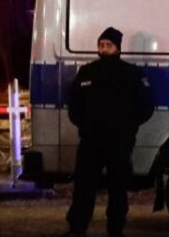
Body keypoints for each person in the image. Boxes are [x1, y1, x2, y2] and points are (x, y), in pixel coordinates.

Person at [64, 27, 154, 237]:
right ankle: (77, 229)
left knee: (118, 188)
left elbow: (146, 105)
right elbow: (74, 102)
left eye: (108, 45)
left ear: (117, 49)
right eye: (101, 45)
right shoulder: (87, 72)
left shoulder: (131, 74)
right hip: (91, 140)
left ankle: (115, 230)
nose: (104, 49)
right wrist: (83, 125)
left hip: (119, 142)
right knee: (84, 187)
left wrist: (128, 128)